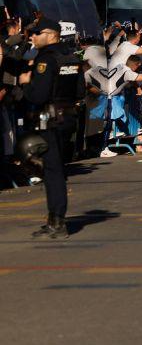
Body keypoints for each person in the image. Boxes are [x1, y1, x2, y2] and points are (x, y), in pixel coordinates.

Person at [18, 17, 86, 240]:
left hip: (51, 119)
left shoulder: (46, 59)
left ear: (50, 35)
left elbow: (39, 95)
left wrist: (26, 83)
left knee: (52, 172)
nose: (33, 37)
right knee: (56, 169)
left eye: (37, 33)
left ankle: (57, 221)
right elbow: (80, 91)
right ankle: (55, 218)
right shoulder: (72, 57)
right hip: (69, 118)